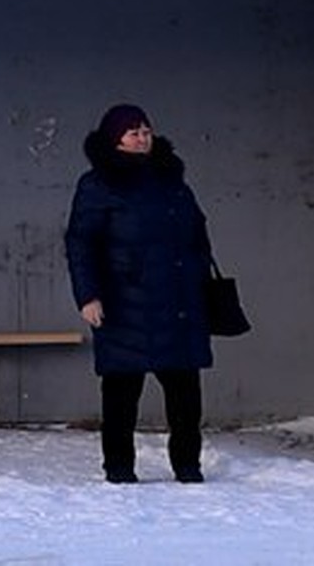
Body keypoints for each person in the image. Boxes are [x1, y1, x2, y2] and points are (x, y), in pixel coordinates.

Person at [64, 104, 214, 484]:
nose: (143, 138)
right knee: (120, 394)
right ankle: (119, 468)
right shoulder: (97, 184)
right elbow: (81, 243)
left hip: (177, 301)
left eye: (146, 130)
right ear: (115, 139)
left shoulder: (171, 179)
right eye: (133, 133)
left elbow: (196, 232)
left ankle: (187, 465)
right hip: (123, 302)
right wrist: (88, 295)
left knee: (185, 395)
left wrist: (197, 275)